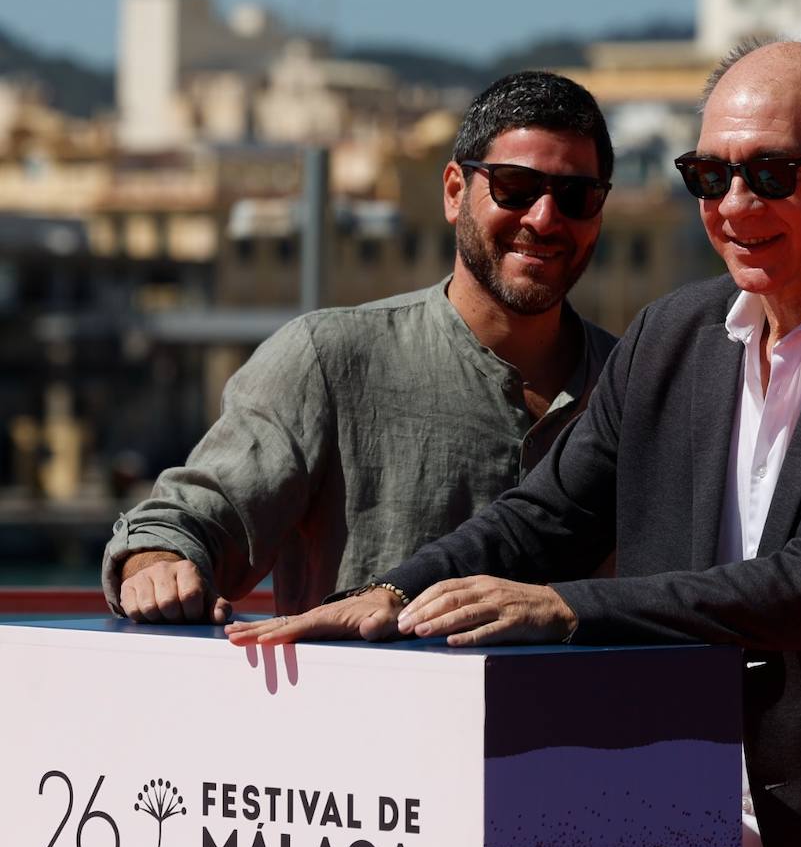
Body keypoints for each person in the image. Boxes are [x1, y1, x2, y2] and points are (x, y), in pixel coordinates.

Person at [229, 39, 801, 847]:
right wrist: (392, 594)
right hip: (673, 836)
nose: (734, 206)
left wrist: (566, 611)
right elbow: (545, 517)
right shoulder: (672, 336)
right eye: (710, 175)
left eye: (770, 173)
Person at [104, 70, 617, 625]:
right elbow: (196, 516)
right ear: (453, 193)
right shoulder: (328, 359)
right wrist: (158, 565)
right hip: (363, 710)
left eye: (575, 196)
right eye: (514, 187)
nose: (544, 218)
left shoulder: (635, 384)